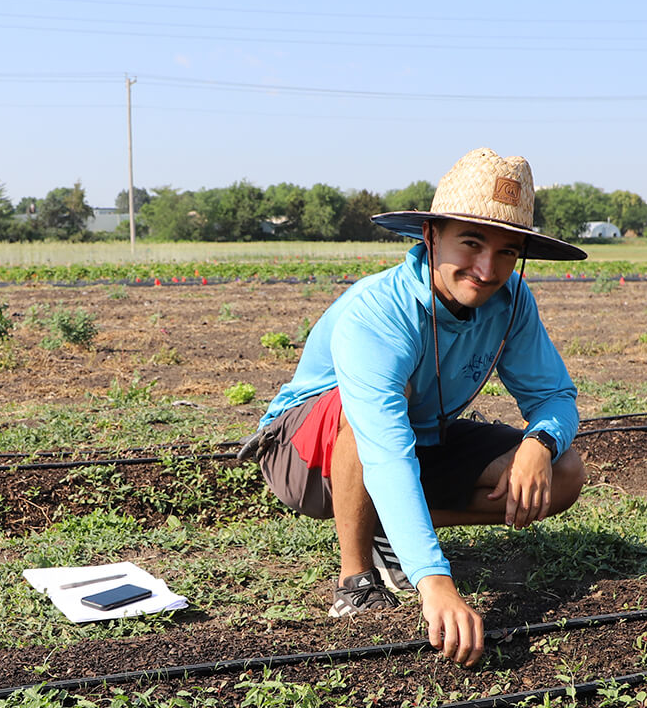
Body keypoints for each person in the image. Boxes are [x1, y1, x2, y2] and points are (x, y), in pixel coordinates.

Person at [242, 148, 587, 666]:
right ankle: (355, 575)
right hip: (306, 455)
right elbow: (383, 447)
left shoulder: (512, 300)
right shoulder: (378, 313)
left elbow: (555, 396)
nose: (488, 269)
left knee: (564, 472)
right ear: (430, 236)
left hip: (422, 435)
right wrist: (436, 581)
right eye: (471, 243)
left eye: (508, 252)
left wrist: (539, 442)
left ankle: (388, 528)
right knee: (378, 411)